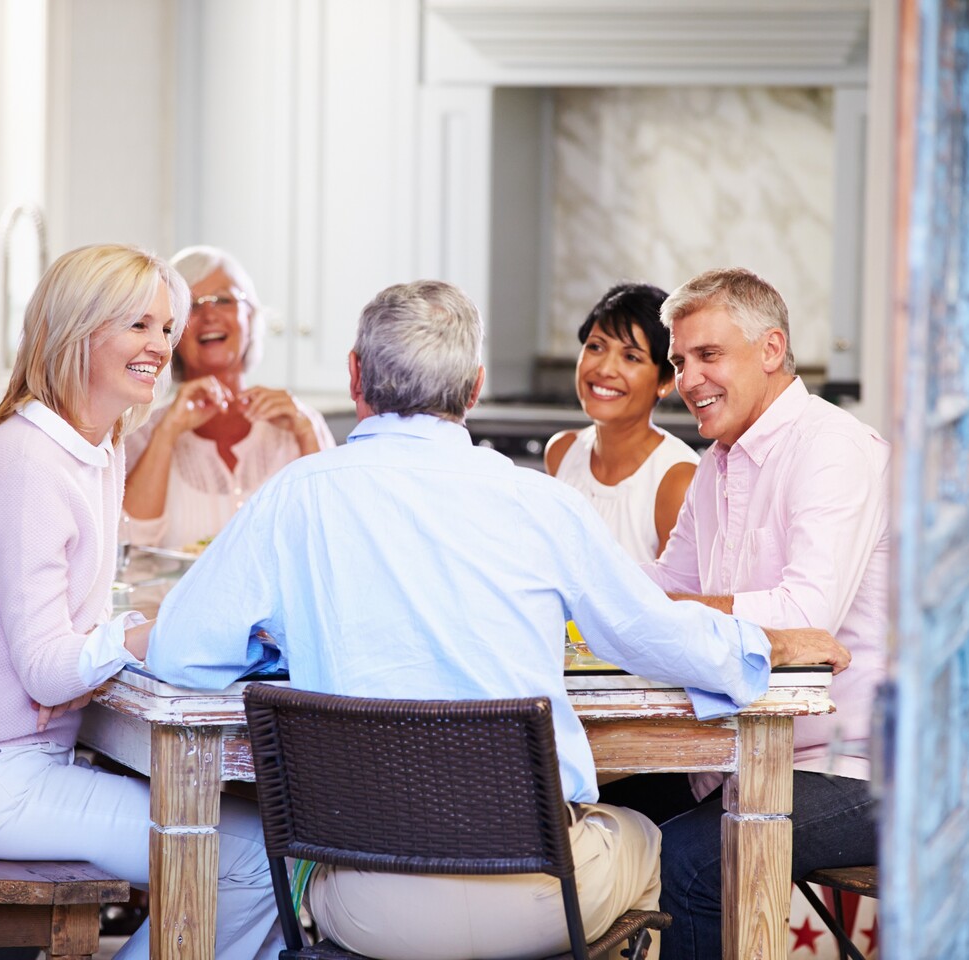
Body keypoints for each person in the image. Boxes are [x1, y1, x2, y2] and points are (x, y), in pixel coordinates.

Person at [146, 279, 852, 960]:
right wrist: (761, 644)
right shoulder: (540, 504)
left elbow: (179, 653)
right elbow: (659, 636)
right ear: (476, 386)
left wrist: (283, 654)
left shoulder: (291, 498)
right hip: (543, 900)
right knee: (651, 838)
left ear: (356, 375)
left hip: (364, 906)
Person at [0, 244, 282, 960]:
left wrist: (88, 656)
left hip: (25, 761)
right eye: (139, 325)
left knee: (259, 852)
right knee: (255, 862)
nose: (161, 346)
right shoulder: (30, 462)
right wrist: (144, 633)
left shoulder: (97, 449)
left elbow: (62, 649)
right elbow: (49, 669)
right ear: (80, 331)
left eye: (165, 328)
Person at [641, 267, 889, 960]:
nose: (687, 380)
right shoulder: (716, 463)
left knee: (687, 861)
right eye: (680, 361)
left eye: (707, 356)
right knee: (597, 818)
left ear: (772, 349)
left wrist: (659, 606)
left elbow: (803, 617)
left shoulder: (831, 448)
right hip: (740, 757)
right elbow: (666, 583)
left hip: (857, 768)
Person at [122, 245, 333, 552]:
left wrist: (305, 434)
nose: (209, 315)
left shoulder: (301, 423)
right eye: (192, 306)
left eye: (223, 300)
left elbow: (333, 536)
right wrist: (166, 435)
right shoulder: (141, 431)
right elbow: (127, 544)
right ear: (171, 330)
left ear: (251, 317)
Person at [545, 282, 698, 562]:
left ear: (666, 381)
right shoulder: (561, 451)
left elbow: (675, 601)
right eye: (595, 347)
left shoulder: (678, 480)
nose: (604, 369)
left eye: (630, 357)